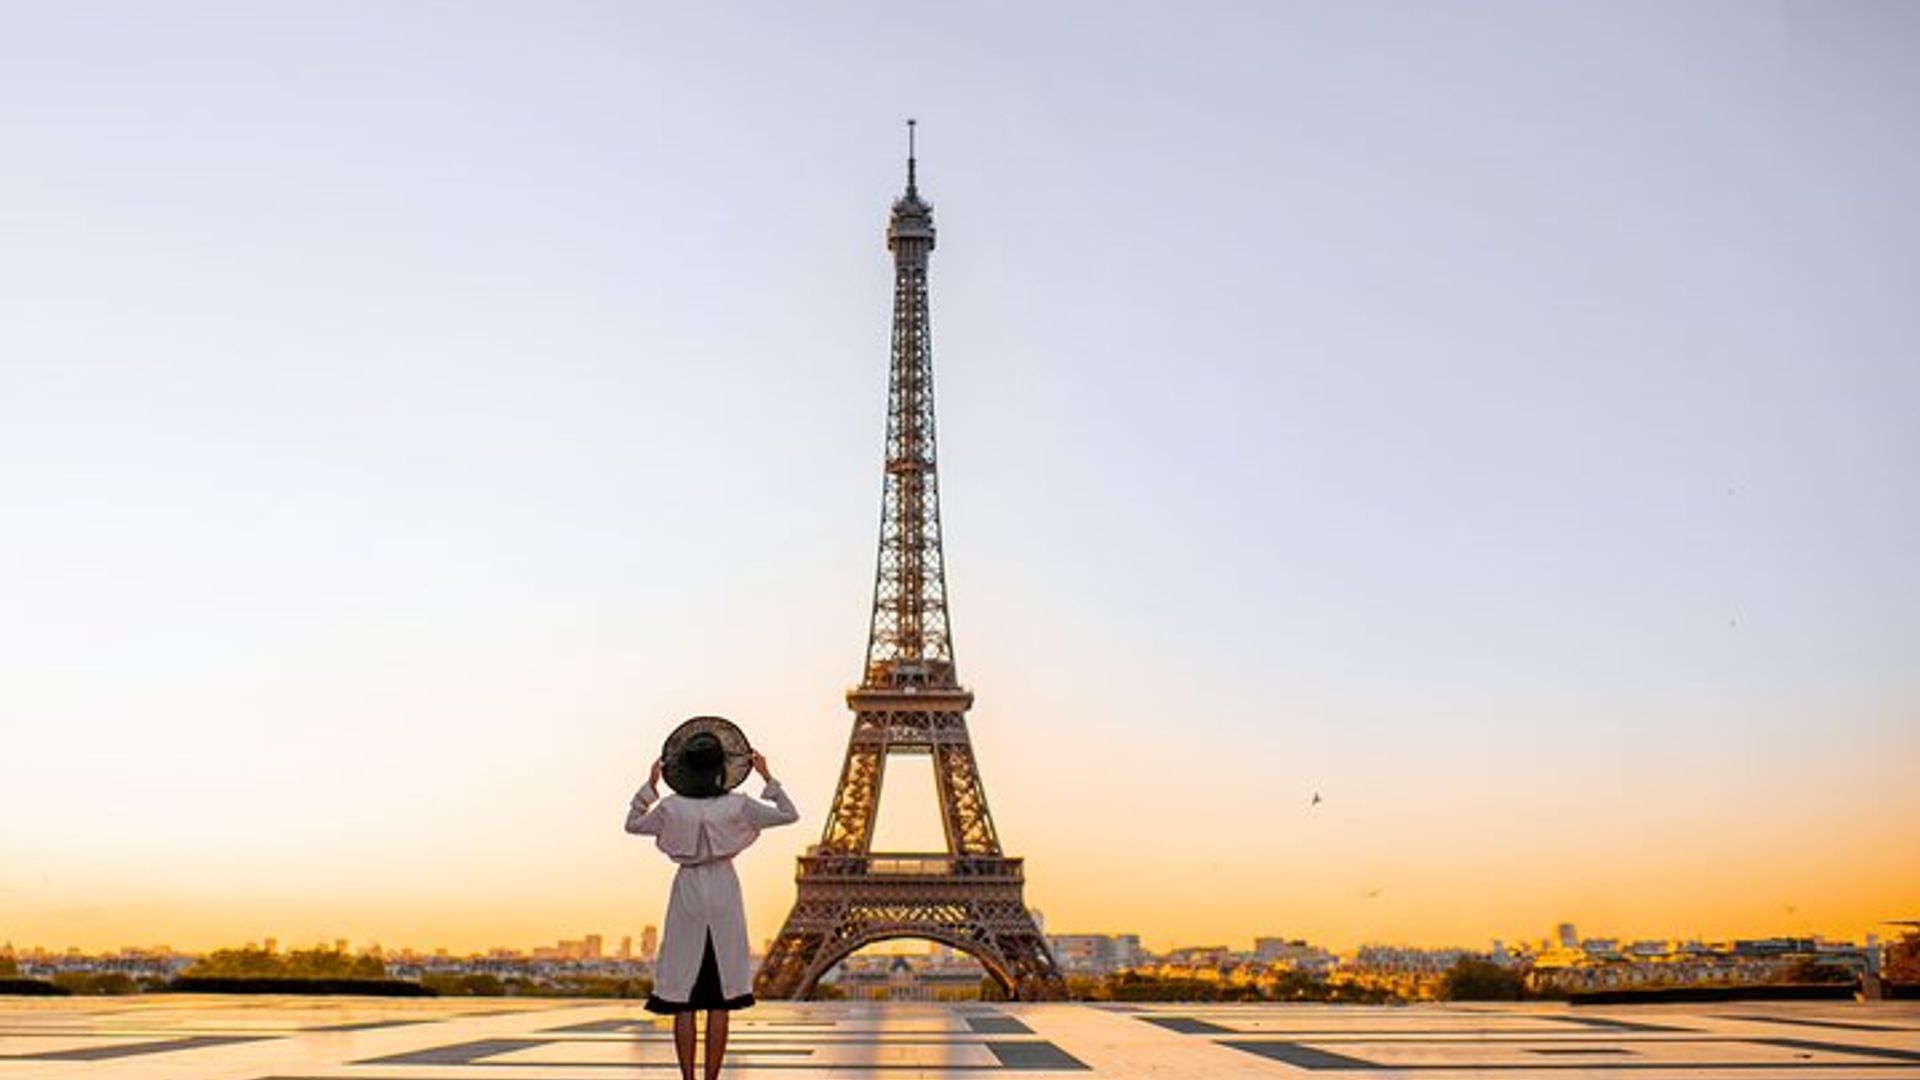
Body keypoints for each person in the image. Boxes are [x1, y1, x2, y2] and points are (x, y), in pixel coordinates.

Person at [626, 718, 799, 1080]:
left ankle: (688, 1079)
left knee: (682, 1003)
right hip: (723, 891)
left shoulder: (672, 808)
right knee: (720, 1003)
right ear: (724, 767)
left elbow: (633, 823)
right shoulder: (738, 805)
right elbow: (788, 815)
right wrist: (768, 776)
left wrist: (651, 785)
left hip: (687, 893)